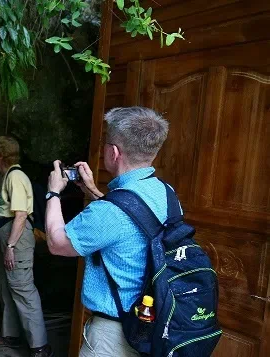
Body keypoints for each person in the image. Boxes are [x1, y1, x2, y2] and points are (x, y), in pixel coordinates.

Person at [44, 107, 170, 356]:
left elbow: (57, 243)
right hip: (150, 323)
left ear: (113, 152)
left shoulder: (109, 212)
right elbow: (134, 221)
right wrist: (92, 192)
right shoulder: (165, 192)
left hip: (113, 336)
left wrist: (53, 192)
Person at [0, 136, 53, 357]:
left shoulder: (15, 176)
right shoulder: (7, 176)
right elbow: (6, 214)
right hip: (8, 234)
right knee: (7, 286)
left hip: (18, 237)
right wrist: (0, 239)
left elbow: (21, 215)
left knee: (23, 289)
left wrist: (12, 246)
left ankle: (40, 347)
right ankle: (11, 335)